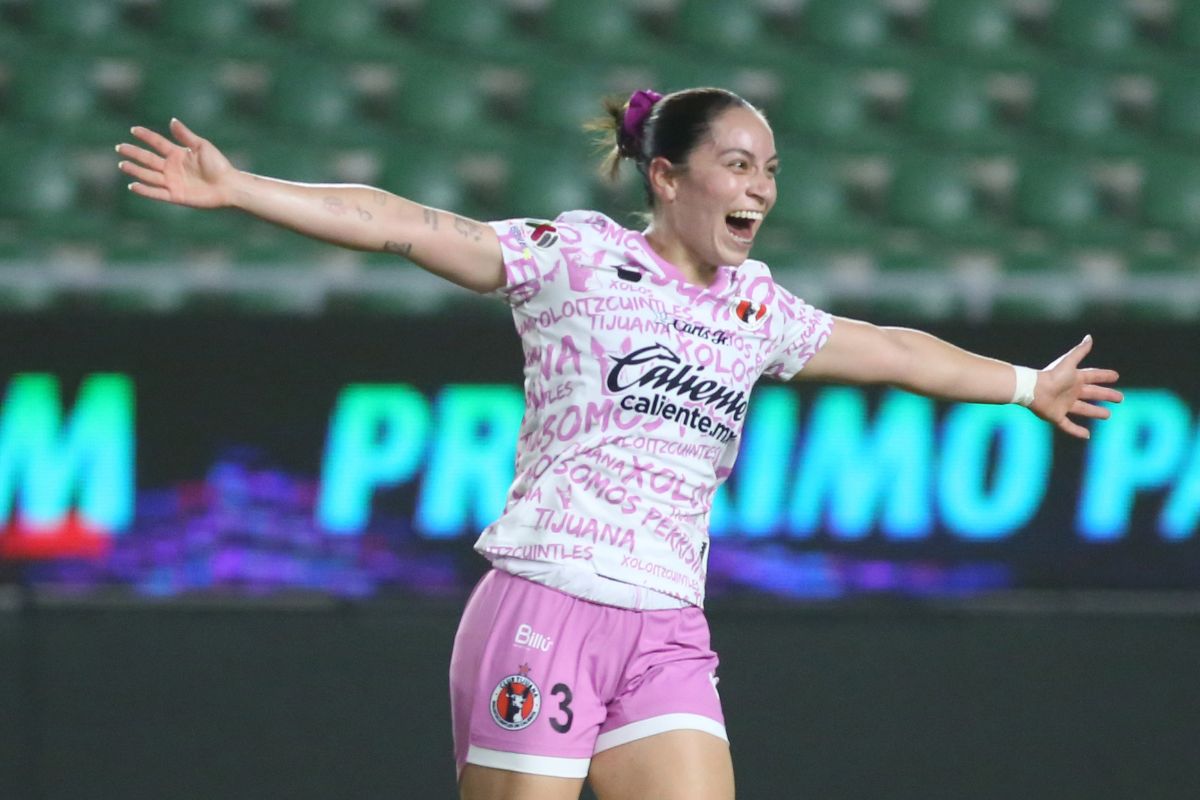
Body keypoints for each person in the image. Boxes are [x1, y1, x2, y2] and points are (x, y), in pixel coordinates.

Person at [116, 87, 1122, 800]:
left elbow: (895, 351)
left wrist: (1028, 384)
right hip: (550, 598)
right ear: (667, 174)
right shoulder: (577, 257)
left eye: (771, 169)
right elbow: (398, 221)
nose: (761, 187)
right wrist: (242, 187)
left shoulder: (756, 307)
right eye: (738, 163)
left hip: (667, 625)